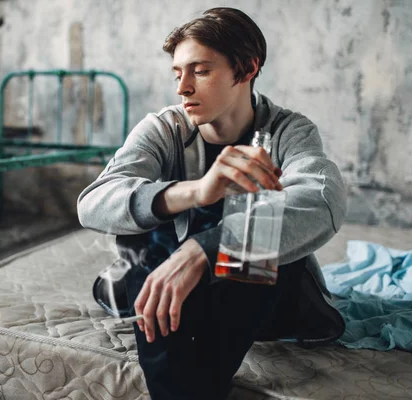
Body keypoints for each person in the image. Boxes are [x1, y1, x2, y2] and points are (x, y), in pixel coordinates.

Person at [77, 7, 346, 400]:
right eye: (177, 73)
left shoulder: (289, 131)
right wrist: (198, 191)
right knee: (151, 246)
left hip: (264, 297)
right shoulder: (164, 128)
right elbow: (93, 202)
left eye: (200, 71)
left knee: (262, 224)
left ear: (248, 67)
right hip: (173, 281)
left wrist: (201, 251)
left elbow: (323, 201)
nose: (182, 87)